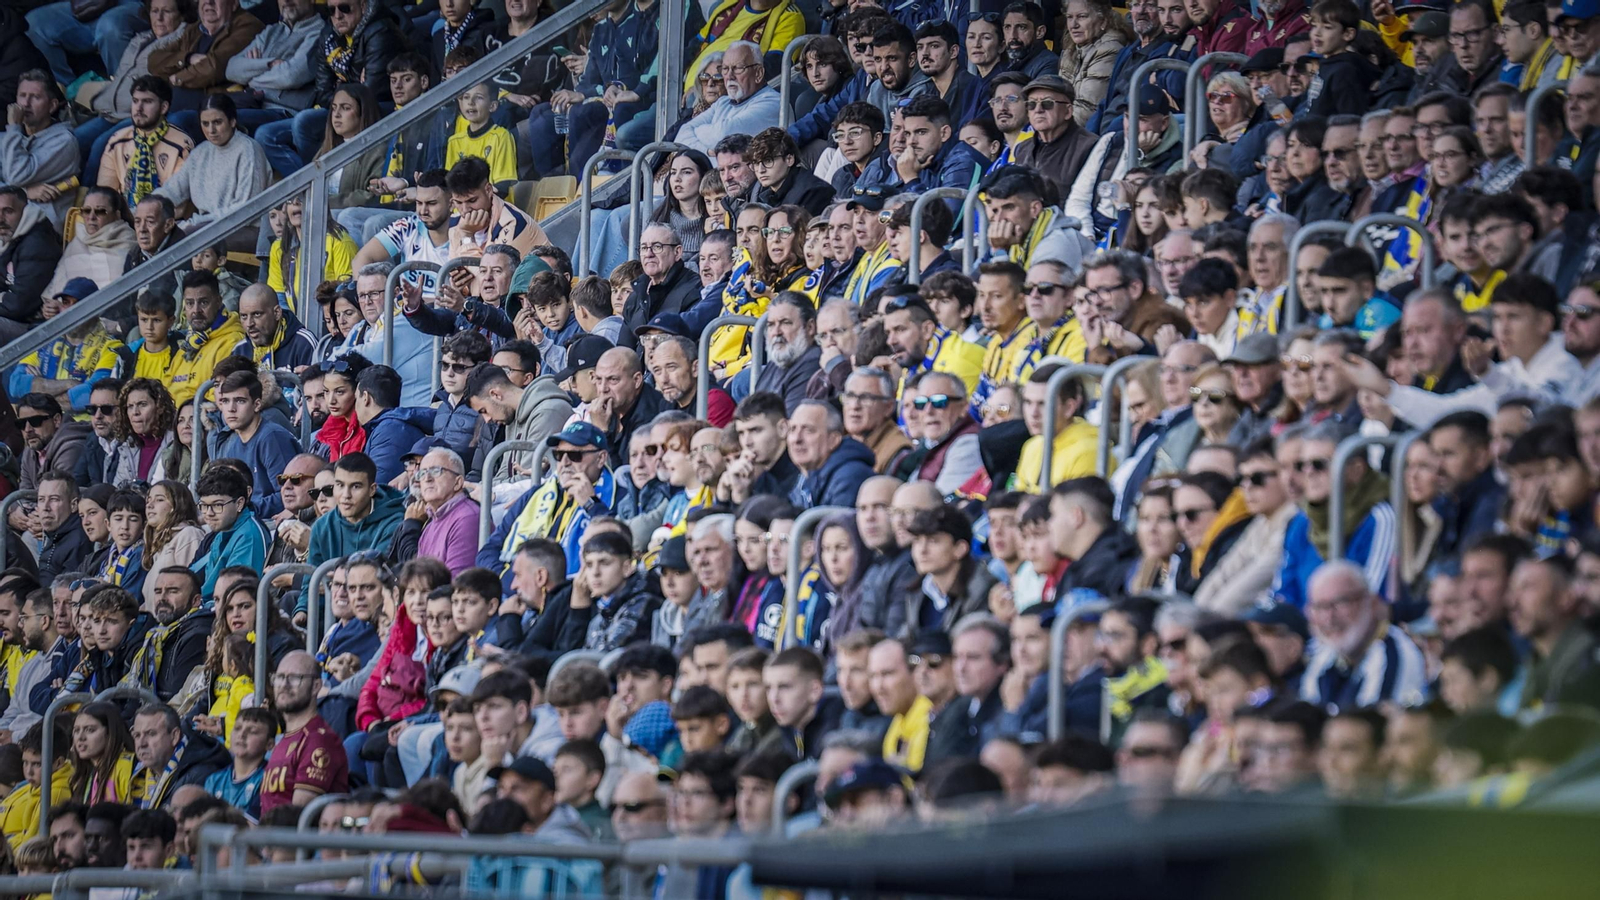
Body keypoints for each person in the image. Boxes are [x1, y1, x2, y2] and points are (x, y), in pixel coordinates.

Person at [260, 651, 349, 812]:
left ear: (316, 686)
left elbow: (298, 816)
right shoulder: (284, 741)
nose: (284, 685)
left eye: (295, 678)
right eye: (279, 677)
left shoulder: (318, 740)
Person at [215, 370, 302, 517]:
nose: (231, 409)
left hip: (273, 522)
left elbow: (288, 495)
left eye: (240, 401)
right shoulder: (234, 446)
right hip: (249, 517)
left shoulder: (272, 437)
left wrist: (243, 510)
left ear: (256, 405)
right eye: (225, 401)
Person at [0, 187, 64, 342]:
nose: (0, 218)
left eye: (8, 211)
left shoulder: (37, 243)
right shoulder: (9, 237)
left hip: (32, 327)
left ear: (25, 211)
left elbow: (19, 305)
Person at [231, 283, 316, 372]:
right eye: (244, 316)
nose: (249, 323)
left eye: (257, 314)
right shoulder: (239, 350)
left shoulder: (303, 344)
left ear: (277, 313)